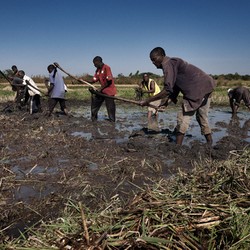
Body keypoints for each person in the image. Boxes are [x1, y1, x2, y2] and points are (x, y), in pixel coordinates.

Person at [140, 47, 216, 145]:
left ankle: (177, 147)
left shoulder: (167, 64)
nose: (153, 62)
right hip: (207, 86)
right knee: (202, 117)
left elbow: (167, 89)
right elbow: (175, 87)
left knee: (183, 118)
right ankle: (210, 143)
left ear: (162, 56)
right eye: (152, 61)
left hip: (196, 90)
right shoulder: (173, 62)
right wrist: (167, 102)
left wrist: (148, 101)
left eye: (154, 59)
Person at [86, 56, 117, 122]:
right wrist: (83, 80)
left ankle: (112, 121)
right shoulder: (98, 70)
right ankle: (93, 118)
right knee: (95, 102)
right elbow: (93, 80)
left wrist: (101, 88)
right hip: (102, 91)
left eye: (94, 63)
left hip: (109, 91)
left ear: (98, 62)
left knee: (110, 107)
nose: (94, 65)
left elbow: (109, 81)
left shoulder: (107, 68)